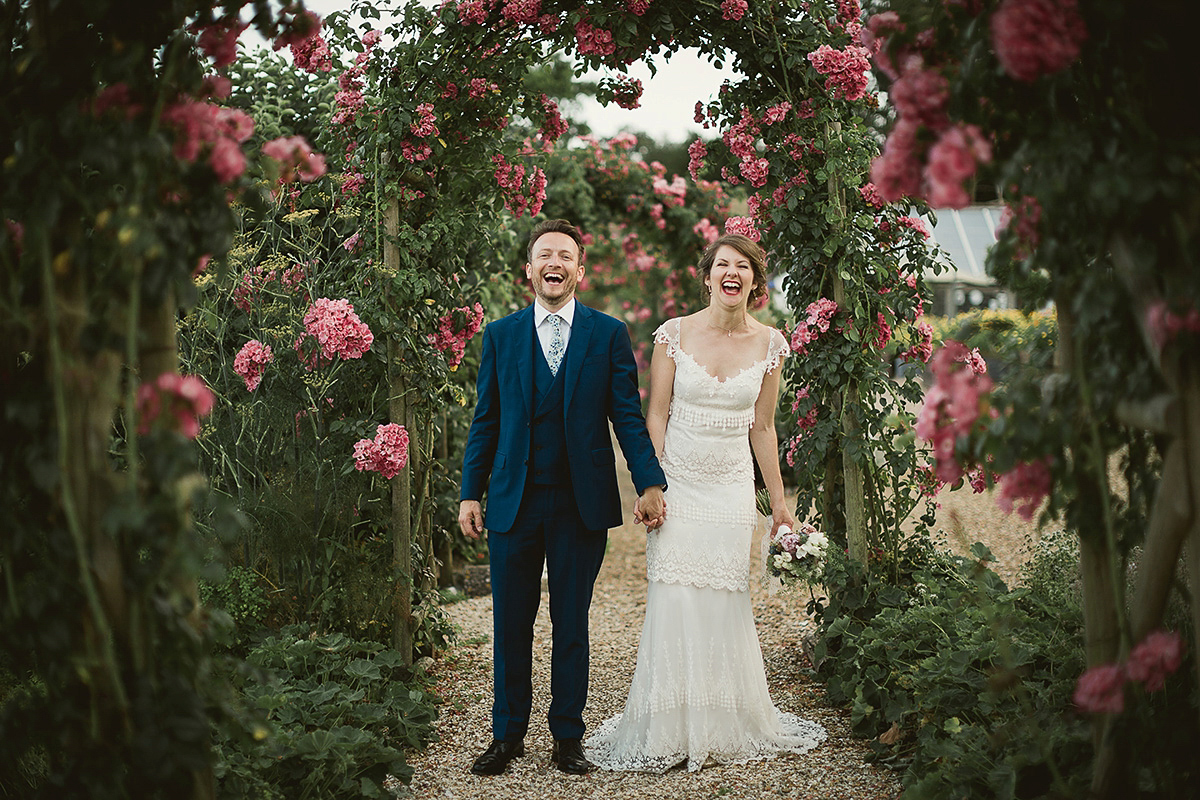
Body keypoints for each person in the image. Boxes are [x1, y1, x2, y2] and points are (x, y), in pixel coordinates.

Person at [584, 233, 826, 772]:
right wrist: (653, 482)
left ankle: (720, 722)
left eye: (743, 266)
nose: (732, 273)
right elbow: (656, 415)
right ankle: (669, 726)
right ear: (708, 275)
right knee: (675, 598)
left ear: (755, 282)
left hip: (731, 490)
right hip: (679, 484)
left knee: (723, 600)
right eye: (723, 264)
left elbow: (763, 427)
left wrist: (779, 505)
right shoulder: (674, 335)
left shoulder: (771, 344)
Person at [458, 218, 667, 776]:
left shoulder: (607, 334)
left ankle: (567, 739)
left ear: (580, 269)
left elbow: (625, 413)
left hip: (581, 504)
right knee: (511, 622)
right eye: (544, 254)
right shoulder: (501, 336)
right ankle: (506, 737)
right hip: (512, 501)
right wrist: (469, 494)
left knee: (571, 621)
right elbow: (486, 421)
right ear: (529, 269)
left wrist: (649, 481)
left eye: (565, 255)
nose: (554, 263)